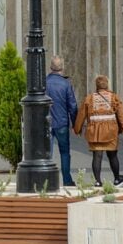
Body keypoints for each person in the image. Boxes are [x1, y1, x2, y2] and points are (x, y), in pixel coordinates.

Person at [73, 75, 123, 188]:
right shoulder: (114, 97)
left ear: (96, 85)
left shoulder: (89, 98)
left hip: (95, 132)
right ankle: (116, 178)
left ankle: (98, 181)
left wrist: (77, 129)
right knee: (112, 155)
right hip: (110, 131)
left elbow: (81, 115)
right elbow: (121, 116)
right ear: (107, 85)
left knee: (97, 156)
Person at [46, 56, 78, 186]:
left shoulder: (44, 82)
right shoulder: (65, 84)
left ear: (50, 67)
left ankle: (46, 179)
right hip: (62, 123)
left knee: (47, 153)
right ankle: (67, 180)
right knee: (65, 152)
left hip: (46, 123)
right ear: (62, 67)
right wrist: (75, 123)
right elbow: (73, 106)